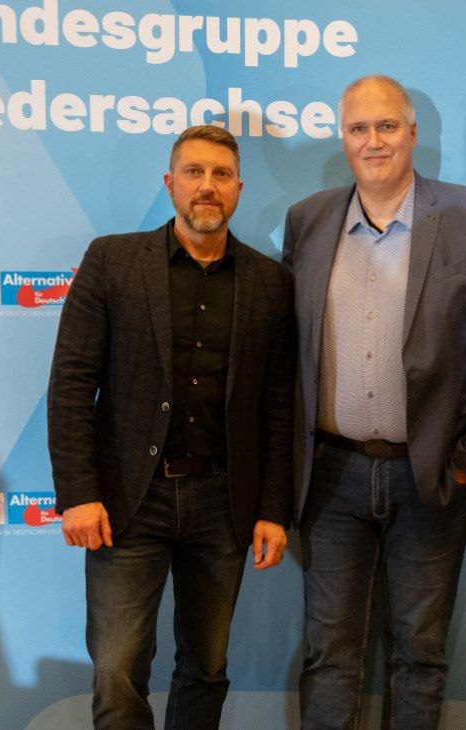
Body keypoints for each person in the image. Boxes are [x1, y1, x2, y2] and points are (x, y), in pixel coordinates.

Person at [281, 75, 466, 729]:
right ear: (343, 138)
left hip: (431, 477)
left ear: (412, 133)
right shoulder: (307, 220)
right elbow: (288, 353)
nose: (374, 140)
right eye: (359, 128)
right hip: (330, 478)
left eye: (387, 126)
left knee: (419, 655)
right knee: (329, 655)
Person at [48, 124, 295, 729]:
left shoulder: (271, 283)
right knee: (117, 671)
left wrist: (272, 508)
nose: (207, 186)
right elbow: (73, 384)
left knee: (206, 668)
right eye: (194, 172)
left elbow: (278, 407)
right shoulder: (112, 261)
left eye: (220, 174)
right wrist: (79, 493)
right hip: (129, 501)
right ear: (170, 182)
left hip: (223, 503)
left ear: (238, 188)